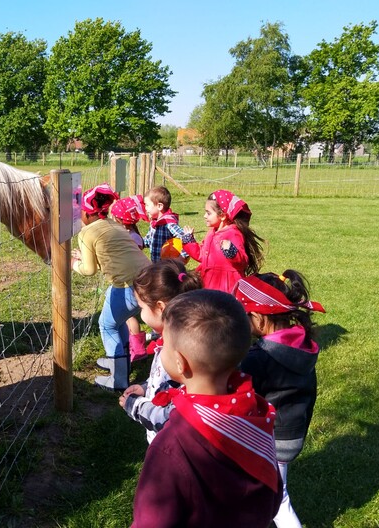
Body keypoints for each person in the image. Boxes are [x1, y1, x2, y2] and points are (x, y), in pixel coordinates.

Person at [131, 289, 282, 528]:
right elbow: (272, 499)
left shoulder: (171, 446)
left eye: (165, 345)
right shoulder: (257, 416)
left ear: (181, 362)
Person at [233, 270, 326, 528]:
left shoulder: (260, 359)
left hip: (271, 440)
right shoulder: (301, 345)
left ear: (260, 319)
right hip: (292, 434)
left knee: (277, 500)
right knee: (274, 492)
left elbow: (238, 396)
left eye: (244, 315)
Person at [72, 183, 151, 391]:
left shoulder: (86, 232)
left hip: (127, 287)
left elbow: (89, 270)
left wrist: (73, 264)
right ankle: (120, 362)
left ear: (87, 214)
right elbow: (112, 253)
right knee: (119, 321)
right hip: (148, 279)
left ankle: (119, 380)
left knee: (107, 325)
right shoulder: (114, 224)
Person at [118, 259, 203, 444]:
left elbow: (169, 417)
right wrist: (146, 387)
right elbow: (166, 383)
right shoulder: (176, 340)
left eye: (141, 307)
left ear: (160, 308)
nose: (140, 314)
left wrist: (134, 405)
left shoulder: (179, 354)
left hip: (170, 444)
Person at [181, 189, 264, 293]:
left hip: (227, 286)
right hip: (209, 282)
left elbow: (242, 262)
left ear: (222, 216)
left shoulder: (233, 233)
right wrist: (189, 241)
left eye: (208, 213)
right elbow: (202, 255)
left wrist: (231, 251)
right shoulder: (212, 232)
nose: (204, 216)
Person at [109, 195, 148, 361]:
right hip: (133, 279)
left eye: (113, 217)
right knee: (128, 317)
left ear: (120, 220)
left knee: (129, 317)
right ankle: (134, 346)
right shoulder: (133, 235)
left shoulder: (130, 238)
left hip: (130, 282)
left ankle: (138, 349)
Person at [142, 186, 190, 264]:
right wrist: (138, 242)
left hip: (168, 267)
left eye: (147, 205)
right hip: (156, 265)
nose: (145, 208)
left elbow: (185, 238)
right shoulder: (154, 222)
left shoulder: (169, 223)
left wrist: (183, 257)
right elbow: (149, 240)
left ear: (159, 206)